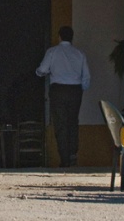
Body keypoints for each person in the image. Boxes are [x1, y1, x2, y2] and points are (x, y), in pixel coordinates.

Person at [35, 25, 91, 168]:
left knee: (60, 124)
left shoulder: (53, 52)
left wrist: (39, 73)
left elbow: (42, 69)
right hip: (75, 91)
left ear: (59, 36)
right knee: (72, 122)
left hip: (58, 90)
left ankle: (64, 158)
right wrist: (80, 89)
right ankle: (73, 154)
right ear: (72, 37)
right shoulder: (79, 54)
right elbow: (86, 77)